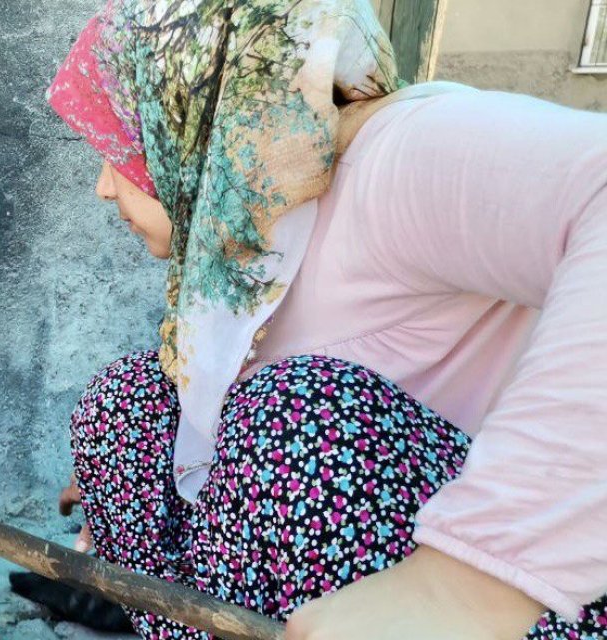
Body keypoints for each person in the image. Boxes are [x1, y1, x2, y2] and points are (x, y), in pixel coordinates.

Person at [46, 1, 607, 639]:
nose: (102, 186)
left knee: (288, 411)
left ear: (197, 111)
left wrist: (472, 586)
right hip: (360, 557)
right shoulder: (253, 218)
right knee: (128, 405)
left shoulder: (398, 156)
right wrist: (121, 474)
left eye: (121, 146)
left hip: (533, 604)